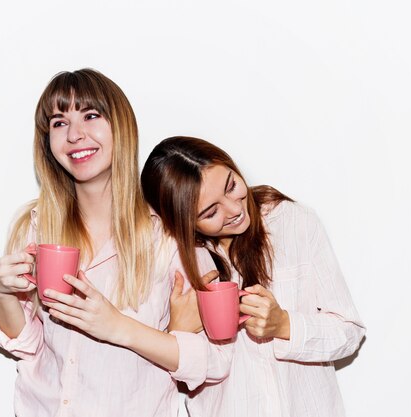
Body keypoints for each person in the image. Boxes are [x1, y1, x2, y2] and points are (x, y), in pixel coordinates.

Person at [0, 71, 229, 417]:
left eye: (90, 116)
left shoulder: (170, 236)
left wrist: (117, 327)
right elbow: (26, 344)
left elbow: (215, 361)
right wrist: (1, 291)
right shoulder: (36, 226)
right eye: (59, 122)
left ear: (121, 127)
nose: (74, 135)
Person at [141, 136, 366, 417]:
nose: (235, 209)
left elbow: (349, 332)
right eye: (211, 211)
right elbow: (180, 380)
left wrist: (284, 325)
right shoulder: (175, 260)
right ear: (184, 223)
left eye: (232, 185)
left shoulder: (293, 223)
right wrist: (178, 332)